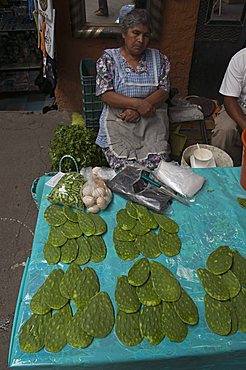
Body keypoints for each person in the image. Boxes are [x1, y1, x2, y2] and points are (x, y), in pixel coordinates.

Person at [95, 9, 171, 171]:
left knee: (159, 170)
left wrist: (142, 109)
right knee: (126, 172)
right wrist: (137, 104)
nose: (140, 40)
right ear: (124, 33)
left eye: (146, 35)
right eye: (135, 33)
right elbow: (105, 94)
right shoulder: (108, 59)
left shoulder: (160, 59)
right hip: (120, 123)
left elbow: (164, 90)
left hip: (151, 123)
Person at [211, 48, 246, 166]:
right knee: (224, 130)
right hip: (238, 106)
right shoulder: (240, 59)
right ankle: (220, 169)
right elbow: (229, 99)